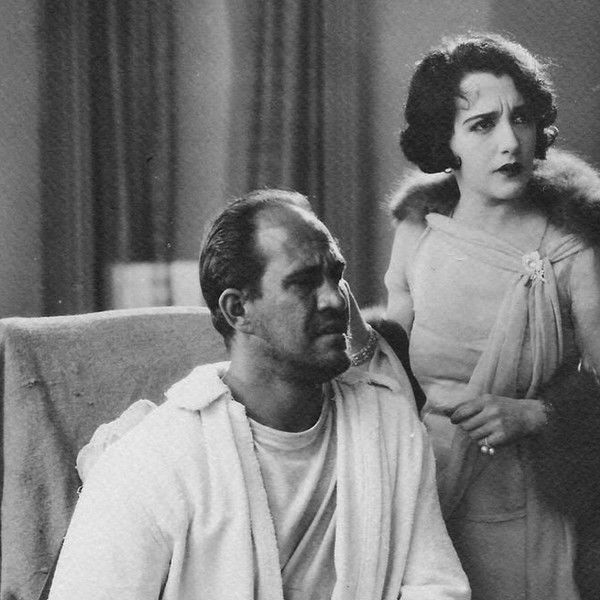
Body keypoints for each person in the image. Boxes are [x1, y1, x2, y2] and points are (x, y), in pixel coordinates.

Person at [49, 189, 470, 599]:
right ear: (238, 310)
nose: (334, 299)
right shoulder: (153, 460)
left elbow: (436, 586)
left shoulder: (388, 421)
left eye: (336, 275)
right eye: (304, 282)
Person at [385, 33, 600, 600]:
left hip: (532, 505)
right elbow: (389, 365)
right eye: (482, 125)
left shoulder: (572, 247)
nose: (511, 141)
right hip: (425, 498)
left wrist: (538, 414)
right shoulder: (418, 232)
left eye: (521, 118)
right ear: (446, 141)